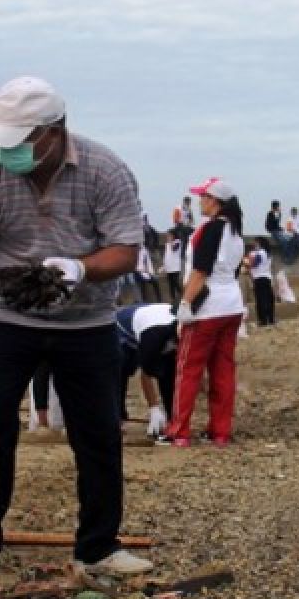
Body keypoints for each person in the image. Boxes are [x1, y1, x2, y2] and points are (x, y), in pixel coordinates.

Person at [0, 75, 152, 577]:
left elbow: (125, 248)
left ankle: (98, 545)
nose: (9, 152)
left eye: (21, 141)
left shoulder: (105, 171)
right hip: (12, 316)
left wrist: (81, 267)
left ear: (54, 132)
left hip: (88, 320)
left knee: (97, 432)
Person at [164, 177, 245, 448]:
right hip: (232, 305)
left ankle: (179, 431)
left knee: (188, 370)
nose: (200, 201)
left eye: (204, 197)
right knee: (223, 370)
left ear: (215, 201)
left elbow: (200, 271)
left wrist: (184, 305)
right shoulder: (236, 232)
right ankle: (220, 431)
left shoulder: (210, 229)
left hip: (207, 308)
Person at [115, 303, 178, 438]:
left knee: (167, 373)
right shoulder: (154, 335)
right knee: (120, 370)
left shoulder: (185, 328)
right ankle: (116, 418)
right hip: (122, 328)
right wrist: (154, 408)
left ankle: (171, 417)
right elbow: (146, 372)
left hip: (152, 318)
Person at [246, 236, 275, 327]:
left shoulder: (259, 253)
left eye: (255, 243)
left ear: (259, 243)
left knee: (260, 300)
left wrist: (247, 263)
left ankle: (263, 321)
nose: (254, 244)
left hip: (259, 278)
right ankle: (271, 319)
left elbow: (254, 264)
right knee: (269, 299)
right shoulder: (268, 254)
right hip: (267, 278)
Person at [265, 199, 299, 265]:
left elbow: (277, 224)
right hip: (274, 232)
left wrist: (281, 228)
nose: (279, 208)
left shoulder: (277, 214)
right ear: (275, 207)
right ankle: (286, 257)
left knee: (291, 239)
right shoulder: (270, 214)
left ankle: (291, 256)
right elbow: (270, 226)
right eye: (278, 206)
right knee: (284, 242)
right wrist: (277, 229)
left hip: (278, 231)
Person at [162, 229, 183, 303]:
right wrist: (164, 266)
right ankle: (172, 299)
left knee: (175, 281)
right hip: (169, 266)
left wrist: (170, 242)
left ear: (173, 235)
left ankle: (183, 294)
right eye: (167, 235)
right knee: (170, 283)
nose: (168, 237)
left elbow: (174, 249)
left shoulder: (178, 242)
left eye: (169, 235)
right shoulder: (167, 244)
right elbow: (166, 255)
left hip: (175, 266)